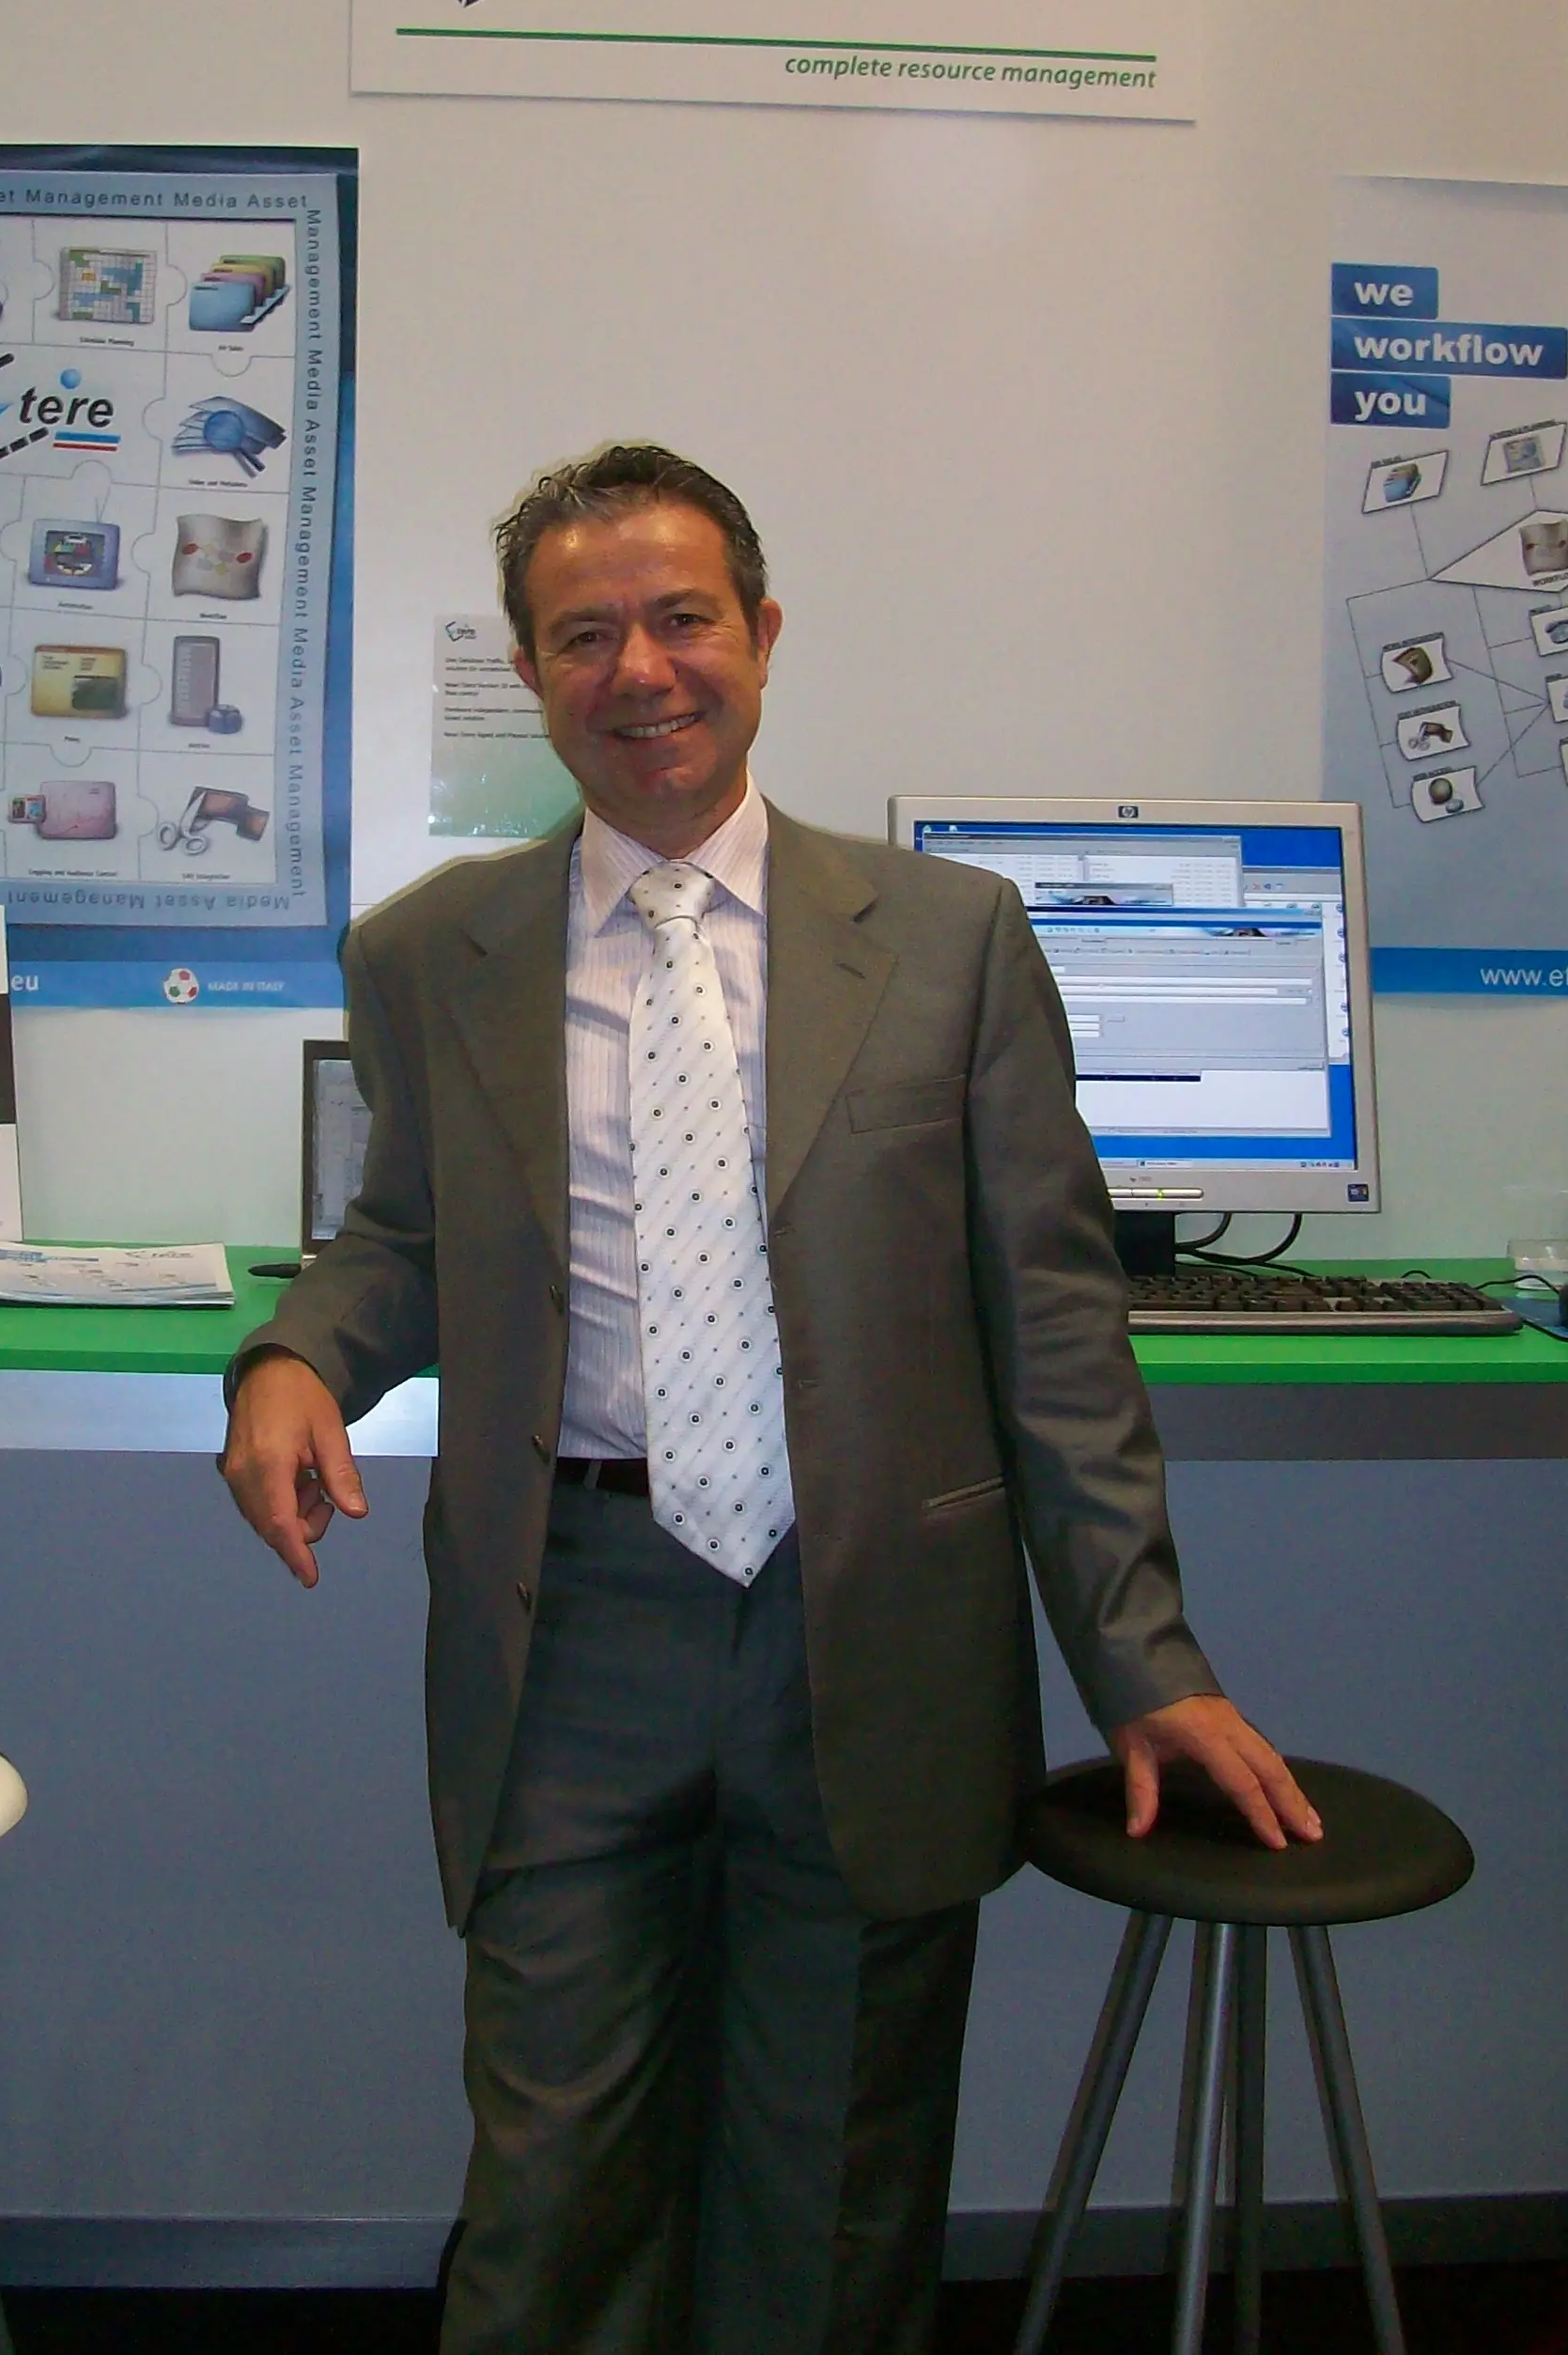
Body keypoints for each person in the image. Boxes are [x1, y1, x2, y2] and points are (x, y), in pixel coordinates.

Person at [220, 444, 1319, 2355]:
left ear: (762, 633)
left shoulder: (952, 940)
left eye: (681, 618)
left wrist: (1145, 1659)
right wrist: (298, 1354)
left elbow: (1058, 1331)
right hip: (570, 1626)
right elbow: (403, 1229)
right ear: (533, 671)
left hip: (872, 1620)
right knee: (551, 2178)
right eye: (585, 636)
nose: (640, 669)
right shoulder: (427, 952)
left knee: (834, 2186)